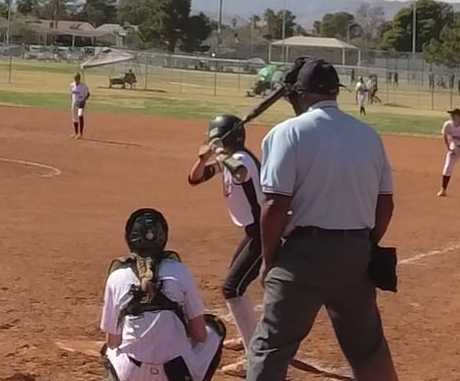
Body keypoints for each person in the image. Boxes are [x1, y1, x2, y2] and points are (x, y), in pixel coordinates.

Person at [249, 58, 399, 381]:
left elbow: (275, 205)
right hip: (356, 255)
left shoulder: (288, 132)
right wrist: (365, 245)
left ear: (300, 94)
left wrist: (269, 259)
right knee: (369, 349)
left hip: (303, 257)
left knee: (271, 347)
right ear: (336, 92)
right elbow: (385, 204)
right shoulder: (368, 135)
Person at [99, 208, 225, 381]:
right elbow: (200, 335)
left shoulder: (116, 277)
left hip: (131, 373)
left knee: (108, 350)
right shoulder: (180, 271)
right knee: (214, 328)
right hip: (177, 373)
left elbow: (113, 341)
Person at [188, 114, 262, 358]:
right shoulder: (229, 159)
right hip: (254, 232)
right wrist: (203, 159)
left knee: (232, 288)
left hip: (265, 232)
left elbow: (239, 172)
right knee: (236, 283)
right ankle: (250, 337)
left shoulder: (241, 160)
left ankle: (254, 356)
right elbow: (195, 178)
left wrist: (219, 152)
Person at [71, 72, 91, 140]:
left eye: (77, 78)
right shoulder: (72, 85)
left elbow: (88, 94)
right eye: (75, 78)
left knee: (80, 115)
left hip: (81, 104)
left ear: (79, 78)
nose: (76, 79)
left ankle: (80, 133)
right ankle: (75, 133)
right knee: (74, 117)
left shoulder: (83, 86)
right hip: (74, 103)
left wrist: (84, 100)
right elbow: (73, 94)